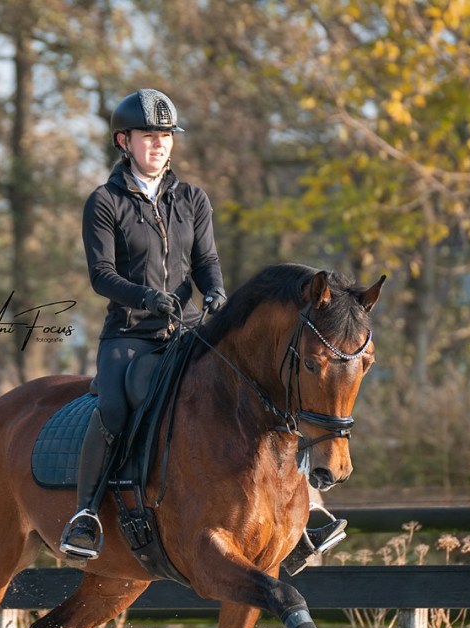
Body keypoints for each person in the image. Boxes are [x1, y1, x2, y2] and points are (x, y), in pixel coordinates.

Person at [59, 88, 345, 571]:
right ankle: (86, 514)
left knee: (260, 391)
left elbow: (207, 260)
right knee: (111, 404)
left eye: (166, 136)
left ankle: (307, 508)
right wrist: (147, 297)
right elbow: (101, 275)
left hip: (188, 329)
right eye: (149, 137)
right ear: (123, 141)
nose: (160, 145)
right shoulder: (105, 202)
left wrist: (215, 293)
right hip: (131, 335)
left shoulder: (192, 198)